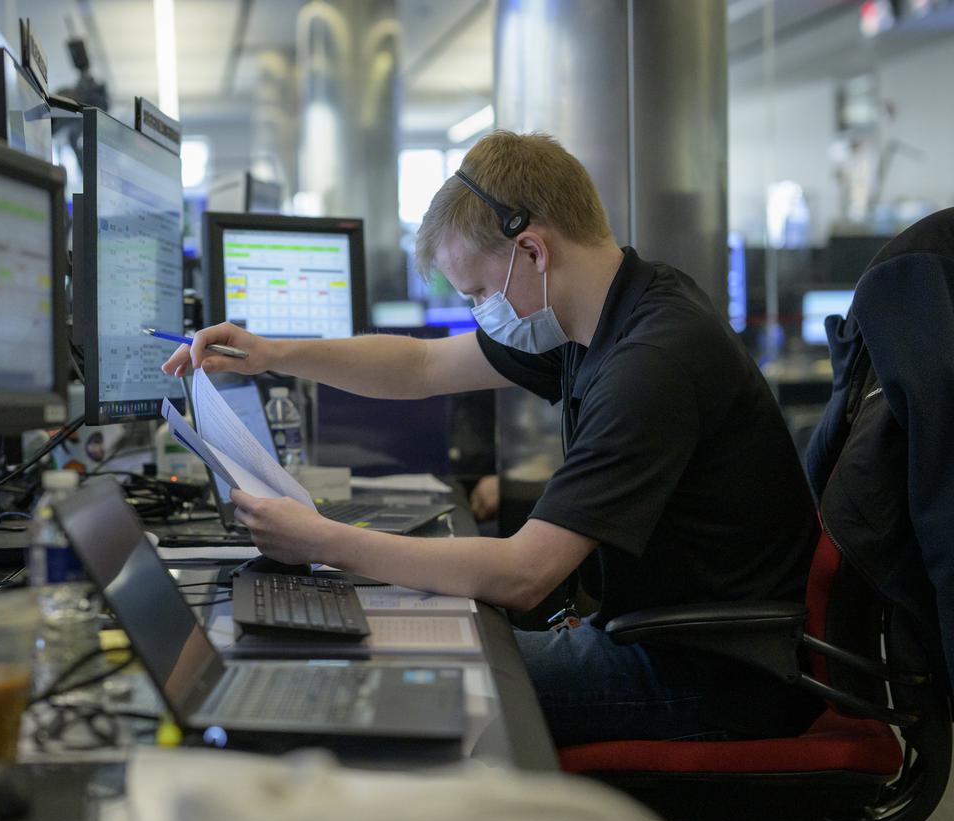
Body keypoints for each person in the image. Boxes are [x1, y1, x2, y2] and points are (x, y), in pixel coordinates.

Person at [163, 131, 823, 747]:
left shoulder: (651, 362)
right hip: (666, 636)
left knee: (389, 677)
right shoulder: (608, 314)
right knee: (395, 643)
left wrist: (324, 541)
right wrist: (273, 352)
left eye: (478, 290)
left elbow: (525, 576)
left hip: (711, 676)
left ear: (533, 250)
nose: (480, 309)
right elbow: (423, 367)